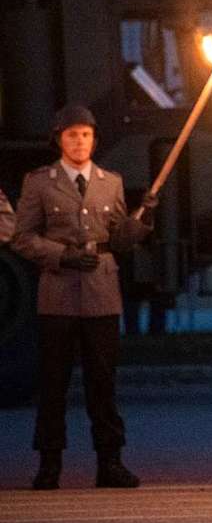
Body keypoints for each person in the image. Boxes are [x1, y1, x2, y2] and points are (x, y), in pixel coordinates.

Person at [12, 104, 155, 490]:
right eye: (73, 134)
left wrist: (142, 223)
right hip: (57, 290)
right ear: (58, 138)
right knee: (53, 380)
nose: (80, 141)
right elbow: (21, 237)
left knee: (103, 381)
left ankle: (110, 462)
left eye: (87, 134)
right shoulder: (40, 182)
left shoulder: (111, 182)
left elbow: (119, 238)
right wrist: (61, 255)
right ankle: (49, 463)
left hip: (101, 290)